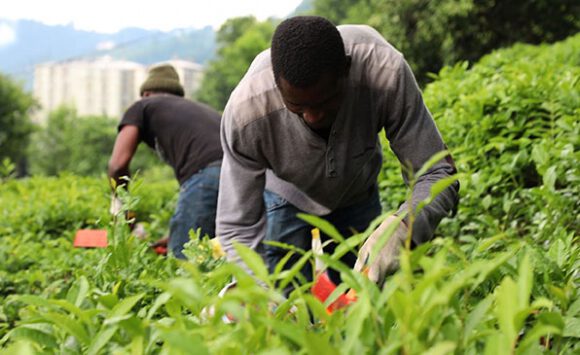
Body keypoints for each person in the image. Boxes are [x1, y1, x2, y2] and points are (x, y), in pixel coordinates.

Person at [217, 16, 459, 287]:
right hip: (286, 196)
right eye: (297, 107)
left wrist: (405, 225)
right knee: (286, 296)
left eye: (325, 102)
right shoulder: (246, 112)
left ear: (347, 69)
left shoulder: (385, 71)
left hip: (357, 192)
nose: (312, 116)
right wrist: (256, 291)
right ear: (276, 85)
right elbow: (237, 226)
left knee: (361, 295)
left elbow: (437, 172)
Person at [108, 64, 223, 259]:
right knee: (218, 255)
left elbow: (117, 165)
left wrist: (122, 208)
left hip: (207, 175)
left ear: (145, 93)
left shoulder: (142, 106)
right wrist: (175, 234)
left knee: (184, 262)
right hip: (244, 176)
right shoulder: (199, 110)